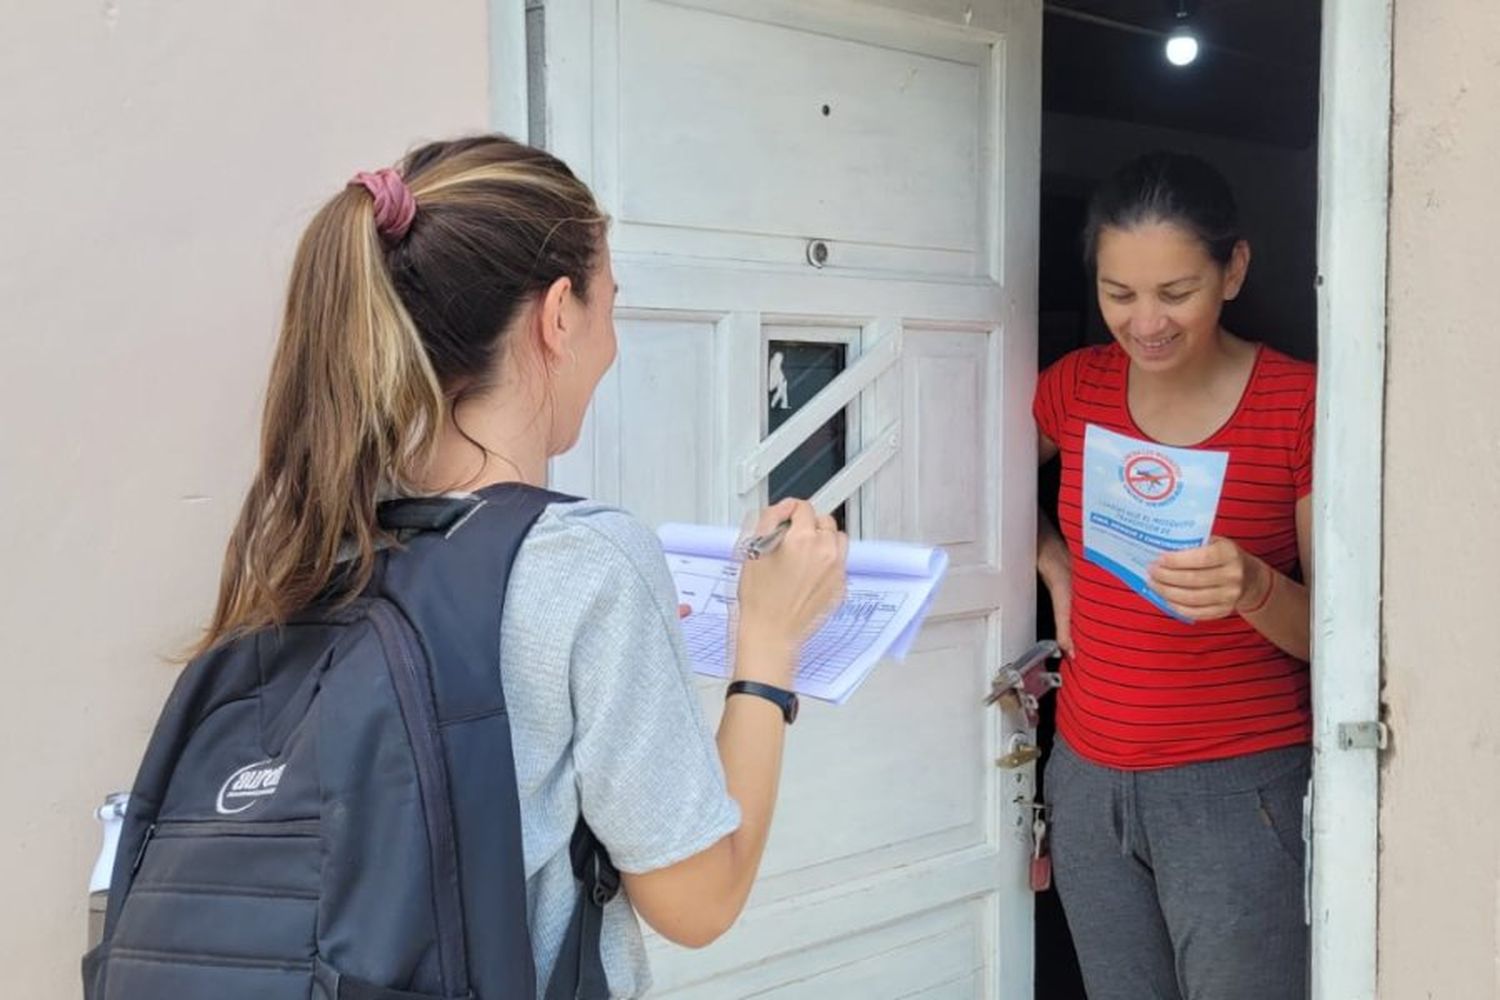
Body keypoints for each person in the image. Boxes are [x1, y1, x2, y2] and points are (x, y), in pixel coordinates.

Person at [197, 134, 847, 997]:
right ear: (558, 315)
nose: (612, 344)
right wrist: (768, 653)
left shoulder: (316, 539)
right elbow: (699, 901)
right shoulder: (588, 563)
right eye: (611, 303)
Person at [1034, 151, 1315, 1000]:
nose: (1144, 322)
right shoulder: (1076, 387)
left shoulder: (1297, 404)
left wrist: (1255, 587)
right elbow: (975, 485)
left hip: (1239, 789)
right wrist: (1051, 558)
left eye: (1175, 292)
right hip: (1085, 776)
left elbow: (1339, 638)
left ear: (1233, 270)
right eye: (1119, 294)